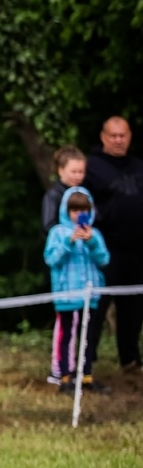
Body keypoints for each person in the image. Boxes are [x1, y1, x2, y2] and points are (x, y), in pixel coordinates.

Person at [86, 117, 142, 374]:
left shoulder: (138, 166)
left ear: (130, 136)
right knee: (98, 304)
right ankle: (85, 361)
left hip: (137, 248)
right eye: (113, 135)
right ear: (103, 137)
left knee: (133, 307)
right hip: (106, 249)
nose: (119, 140)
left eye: (123, 135)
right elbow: (80, 202)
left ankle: (130, 360)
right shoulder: (92, 166)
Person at [44, 186, 111, 394]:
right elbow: (51, 259)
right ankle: (65, 378)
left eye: (83, 211)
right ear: (66, 210)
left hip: (90, 295)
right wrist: (69, 242)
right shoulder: (57, 233)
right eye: (74, 211)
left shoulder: (95, 234)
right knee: (66, 335)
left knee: (89, 335)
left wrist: (91, 242)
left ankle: (86, 375)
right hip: (66, 294)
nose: (78, 215)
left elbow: (104, 260)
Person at [41, 146, 88, 384]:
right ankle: (59, 371)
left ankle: (80, 370)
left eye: (81, 171)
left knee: (83, 323)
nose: (78, 176)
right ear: (61, 171)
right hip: (63, 273)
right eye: (73, 171)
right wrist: (68, 239)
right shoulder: (53, 196)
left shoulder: (85, 195)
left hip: (84, 273)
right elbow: (49, 228)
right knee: (66, 324)